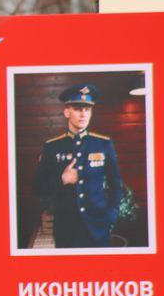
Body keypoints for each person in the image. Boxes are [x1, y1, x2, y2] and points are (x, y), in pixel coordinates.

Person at [32, 83, 123, 248]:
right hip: (67, 229)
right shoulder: (52, 147)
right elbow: (39, 188)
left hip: (98, 228)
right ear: (67, 112)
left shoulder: (103, 144)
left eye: (87, 109)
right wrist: (62, 179)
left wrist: (111, 215)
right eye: (78, 109)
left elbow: (116, 185)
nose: (83, 114)